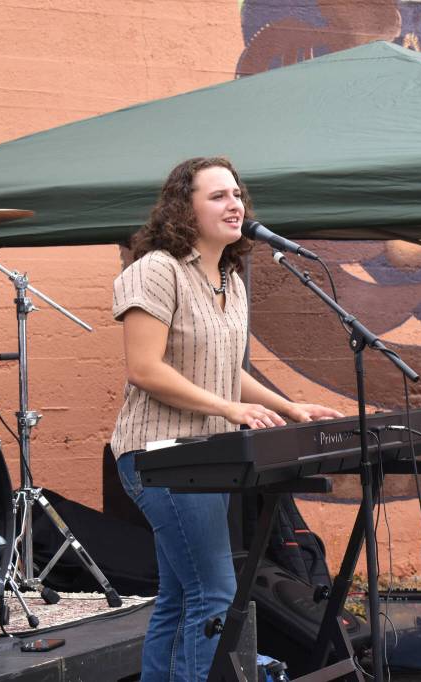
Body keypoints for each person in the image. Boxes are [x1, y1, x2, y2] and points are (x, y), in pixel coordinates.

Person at [111, 156, 342, 681]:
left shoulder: (230, 279)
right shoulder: (156, 270)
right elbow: (145, 369)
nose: (234, 204)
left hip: (207, 459)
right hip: (157, 457)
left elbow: (225, 370)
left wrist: (288, 406)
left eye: (236, 195)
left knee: (180, 594)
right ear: (183, 208)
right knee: (214, 591)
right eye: (217, 195)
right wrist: (228, 409)